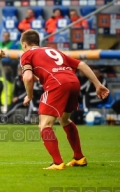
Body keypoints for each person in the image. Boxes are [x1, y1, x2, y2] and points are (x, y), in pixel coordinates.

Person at [20, 29, 109, 170]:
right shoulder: (53, 51)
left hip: (57, 84)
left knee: (45, 126)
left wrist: (29, 95)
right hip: (73, 82)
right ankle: (79, 158)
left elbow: (28, 77)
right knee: (64, 119)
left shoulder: (27, 55)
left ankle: (57, 163)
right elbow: (82, 65)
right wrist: (97, 84)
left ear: (24, 44)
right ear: (38, 42)